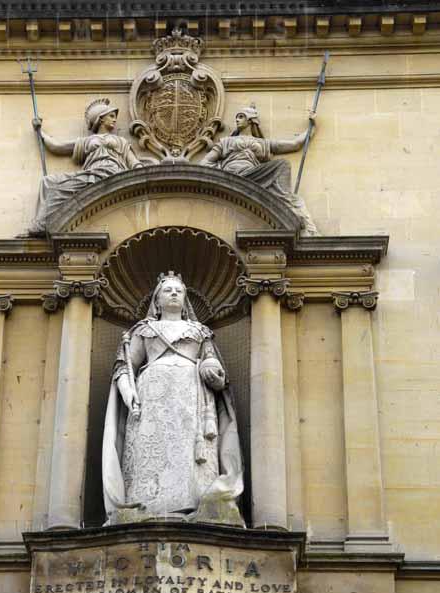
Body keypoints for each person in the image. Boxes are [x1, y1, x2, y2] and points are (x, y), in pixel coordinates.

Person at [102, 272, 244, 526]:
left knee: (189, 450)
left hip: (192, 393)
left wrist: (211, 369)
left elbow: (214, 366)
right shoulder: (144, 330)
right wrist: (128, 392)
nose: (174, 294)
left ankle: (195, 505)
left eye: (179, 290)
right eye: (168, 290)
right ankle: (148, 505)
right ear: (157, 300)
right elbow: (125, 366)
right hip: (152, 394)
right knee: (153, 447)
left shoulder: (199, 331)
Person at [200, 103, 318, 235]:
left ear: (250, 120)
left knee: (283, 165)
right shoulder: (226, 141)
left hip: (253, 176)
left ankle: (286, 202)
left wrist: (311, 127)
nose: (237, 120)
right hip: (232, 175)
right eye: (237, 117)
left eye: (241, 117)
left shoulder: (263, 143)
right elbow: (205, 163)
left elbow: (294, 144)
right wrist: (221, 172)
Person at [28, 98, 143, 234]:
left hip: (113, 174)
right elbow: (57, 147)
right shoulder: (87, 141)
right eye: (111, 116)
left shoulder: (121, 141)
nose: (114, 120)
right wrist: (39, 131)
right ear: (101, 119)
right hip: (91, 176)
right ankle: (41, 225)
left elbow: (134, 163)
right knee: (48, 181)